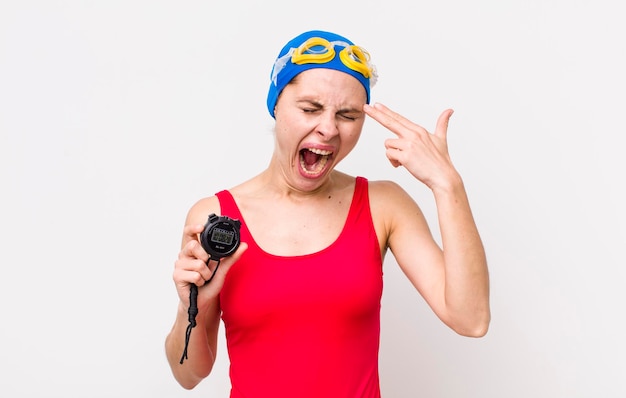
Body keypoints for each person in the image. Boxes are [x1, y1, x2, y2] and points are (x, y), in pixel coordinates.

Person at [164, 29, 490, 397]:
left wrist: (448, 185)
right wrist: (189, 305)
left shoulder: (383, 206)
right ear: (275, 105)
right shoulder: (217, 218)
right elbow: (189, 375)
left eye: (348, 115)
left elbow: (471, 318)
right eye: (310, 109)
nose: (329, 128)